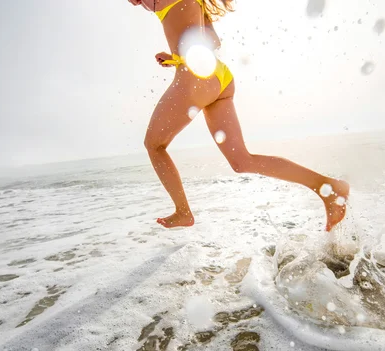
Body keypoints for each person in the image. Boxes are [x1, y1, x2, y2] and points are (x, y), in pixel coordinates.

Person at [127, 0, 350, 231]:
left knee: (154, 145)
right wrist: (175, 56)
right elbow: (212, 41)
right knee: (242, 161)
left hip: (195, 79)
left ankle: (183, 211)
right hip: (218, 77)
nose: (134, 4)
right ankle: (329, 187)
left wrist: (180, 55)